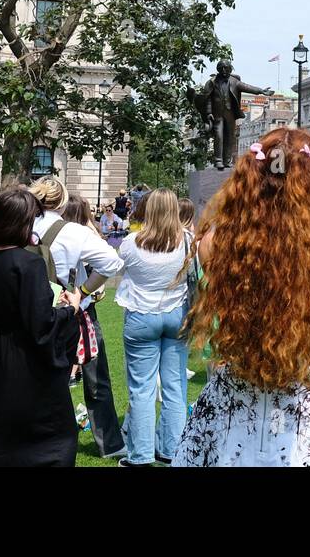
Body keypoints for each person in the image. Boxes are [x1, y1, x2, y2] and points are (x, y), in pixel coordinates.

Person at [175, 128, 310, 466]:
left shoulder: (216, 247)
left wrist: (250, 196)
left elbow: (225, 225)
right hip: (304, 428)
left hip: (225, 420)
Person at [0, 189, 83, 466]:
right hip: (25, 365)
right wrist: (69, 310)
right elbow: (40, 326)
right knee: (43, 437)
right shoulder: (28, 264)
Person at [29, 176, 125, 458]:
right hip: (70, 310)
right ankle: (108, 443)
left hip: (28, 310)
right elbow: (112, 262)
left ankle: (34, 438)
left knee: (35, 379)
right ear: (62, 201)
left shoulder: (20, 225)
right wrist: (82, 292)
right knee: (95, 378)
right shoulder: (73, 231)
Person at [115, 188, 192, 467]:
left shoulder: (131, 242)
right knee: (175, 387)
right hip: (175, 315)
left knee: (142, 389)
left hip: (140, 316)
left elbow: (118, 270)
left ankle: (142, 454)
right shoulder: (187, 241)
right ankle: (172, 451)